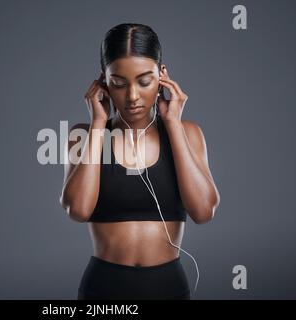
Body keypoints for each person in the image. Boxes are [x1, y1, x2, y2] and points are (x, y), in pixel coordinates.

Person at [60, 23, 220, 300]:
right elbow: (78, 209)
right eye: (119, 84)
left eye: (145, 81)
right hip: (103, 288)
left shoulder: (189, 133)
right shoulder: (82, 135)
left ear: (162, 78)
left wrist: (173, 123)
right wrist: (98, 123)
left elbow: (204, 212)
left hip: (167, 285)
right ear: (103, 84)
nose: (132, 96)